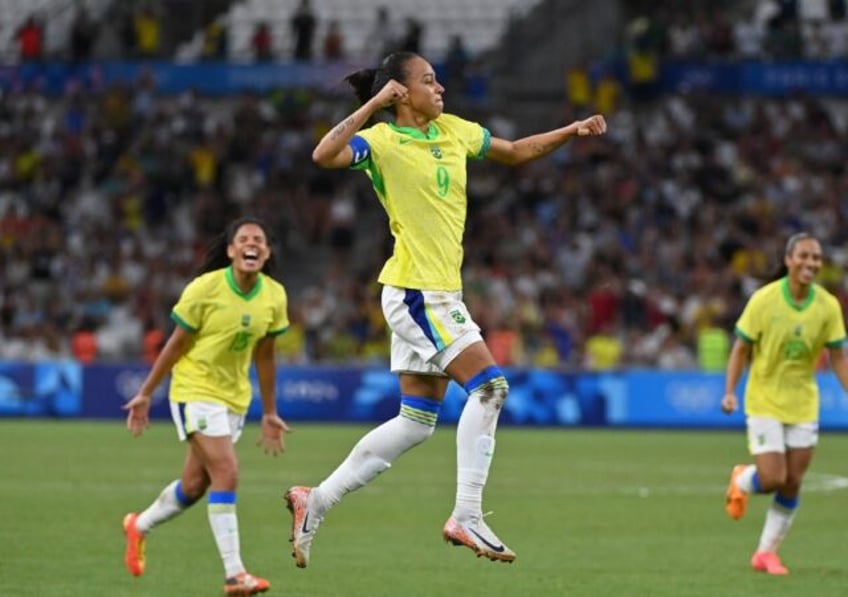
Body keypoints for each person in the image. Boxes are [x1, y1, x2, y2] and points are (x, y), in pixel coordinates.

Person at [283, 51, 607, 568]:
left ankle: (315, 500)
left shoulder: (454, 130)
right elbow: (324, 154)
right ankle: (467, 514)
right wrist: (373, 105)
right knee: (491, 387)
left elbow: (517, 152)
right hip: (417, 292)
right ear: (400, 92)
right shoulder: (384, 142)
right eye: (429, 81)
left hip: (436, 292)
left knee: (415, 422)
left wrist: (571, 130)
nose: (441, 89)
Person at [122, 216, 291, 595]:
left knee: (195, 485)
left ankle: (138, 525)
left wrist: (268, 411)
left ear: (265, 253)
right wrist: (147, 391)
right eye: (244, 238)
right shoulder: (204, 289)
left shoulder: (274, 296)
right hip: (194, 389)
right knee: (227, 471)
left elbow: (266, 356)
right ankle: (235, 574)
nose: (252, 243)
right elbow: (176, 344)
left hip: (234, 398)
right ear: (231, 250)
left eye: (259, 240)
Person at [721, 232, 848, 576]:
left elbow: (837, 356)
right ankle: (743, 480)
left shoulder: (827, 306)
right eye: (804, 256)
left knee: (793, 481)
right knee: (773, 478)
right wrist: (730, 390)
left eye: (816, 258)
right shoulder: (764, 301)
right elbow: (741, 348)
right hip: (764, 400)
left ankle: (765, 554)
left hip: (803, 403)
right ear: (789, 260)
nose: (811, 263)